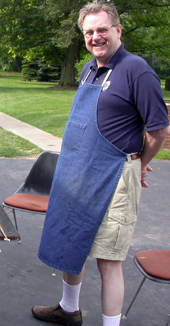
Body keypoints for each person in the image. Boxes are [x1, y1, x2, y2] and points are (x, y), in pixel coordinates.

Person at [31, 1, 170, 326]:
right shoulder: (89, 68)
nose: (96, 37)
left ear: (118, 30)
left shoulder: (137, 70)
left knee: (109, 260)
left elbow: (159, 129)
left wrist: (138, 163)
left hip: (113, 178)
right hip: (76, 174)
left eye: (102, 30)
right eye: (89, 32)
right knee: (69, 241)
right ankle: (69, 309)